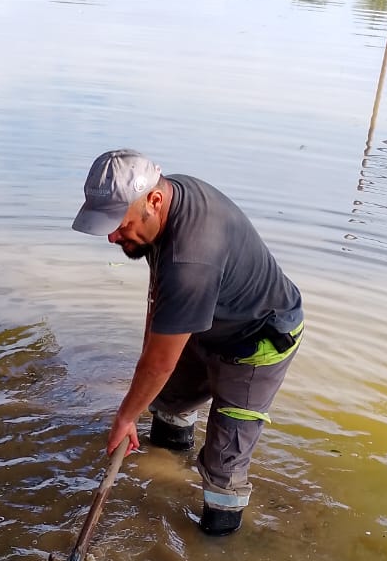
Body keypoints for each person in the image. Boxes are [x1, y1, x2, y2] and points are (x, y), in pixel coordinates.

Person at [72, 149, 303, 536]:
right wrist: (144, 373)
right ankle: (165, 474)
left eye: (120, 224)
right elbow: (159, 302)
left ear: (153, 201)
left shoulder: (192, 258)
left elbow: (159, 363)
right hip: (205, 321)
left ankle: (216, 545)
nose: (112, 237)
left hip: (257, 340)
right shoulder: (167, 199)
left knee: (223, 466)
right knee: (168, 403)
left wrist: (125, 418)